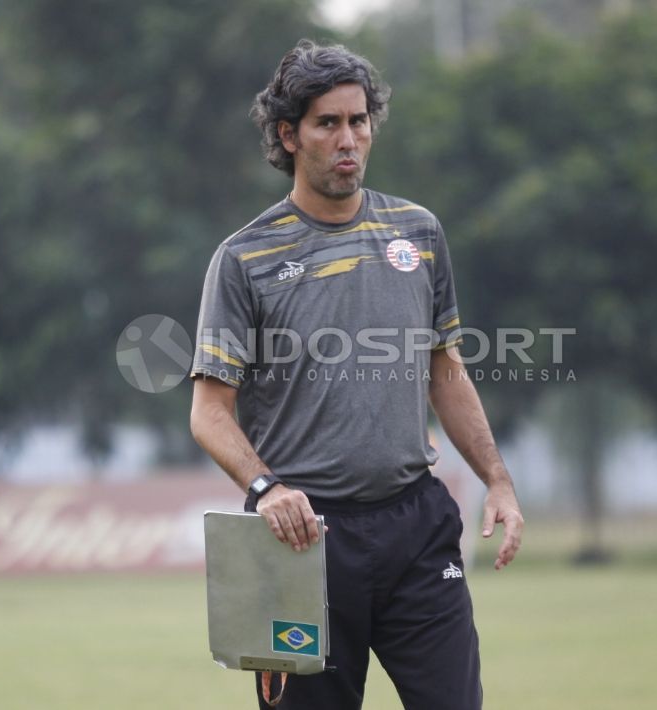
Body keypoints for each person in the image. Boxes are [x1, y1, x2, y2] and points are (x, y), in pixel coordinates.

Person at [189, 39, 523, 710]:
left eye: (359, 120)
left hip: (417, 528)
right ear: (289, 134)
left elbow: (445, 373)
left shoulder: (419, 232)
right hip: (302, 541)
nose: (349, 138)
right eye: (328, 123)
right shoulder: (244, 258)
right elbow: (209, 411)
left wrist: (498, 480)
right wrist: (266, 488)